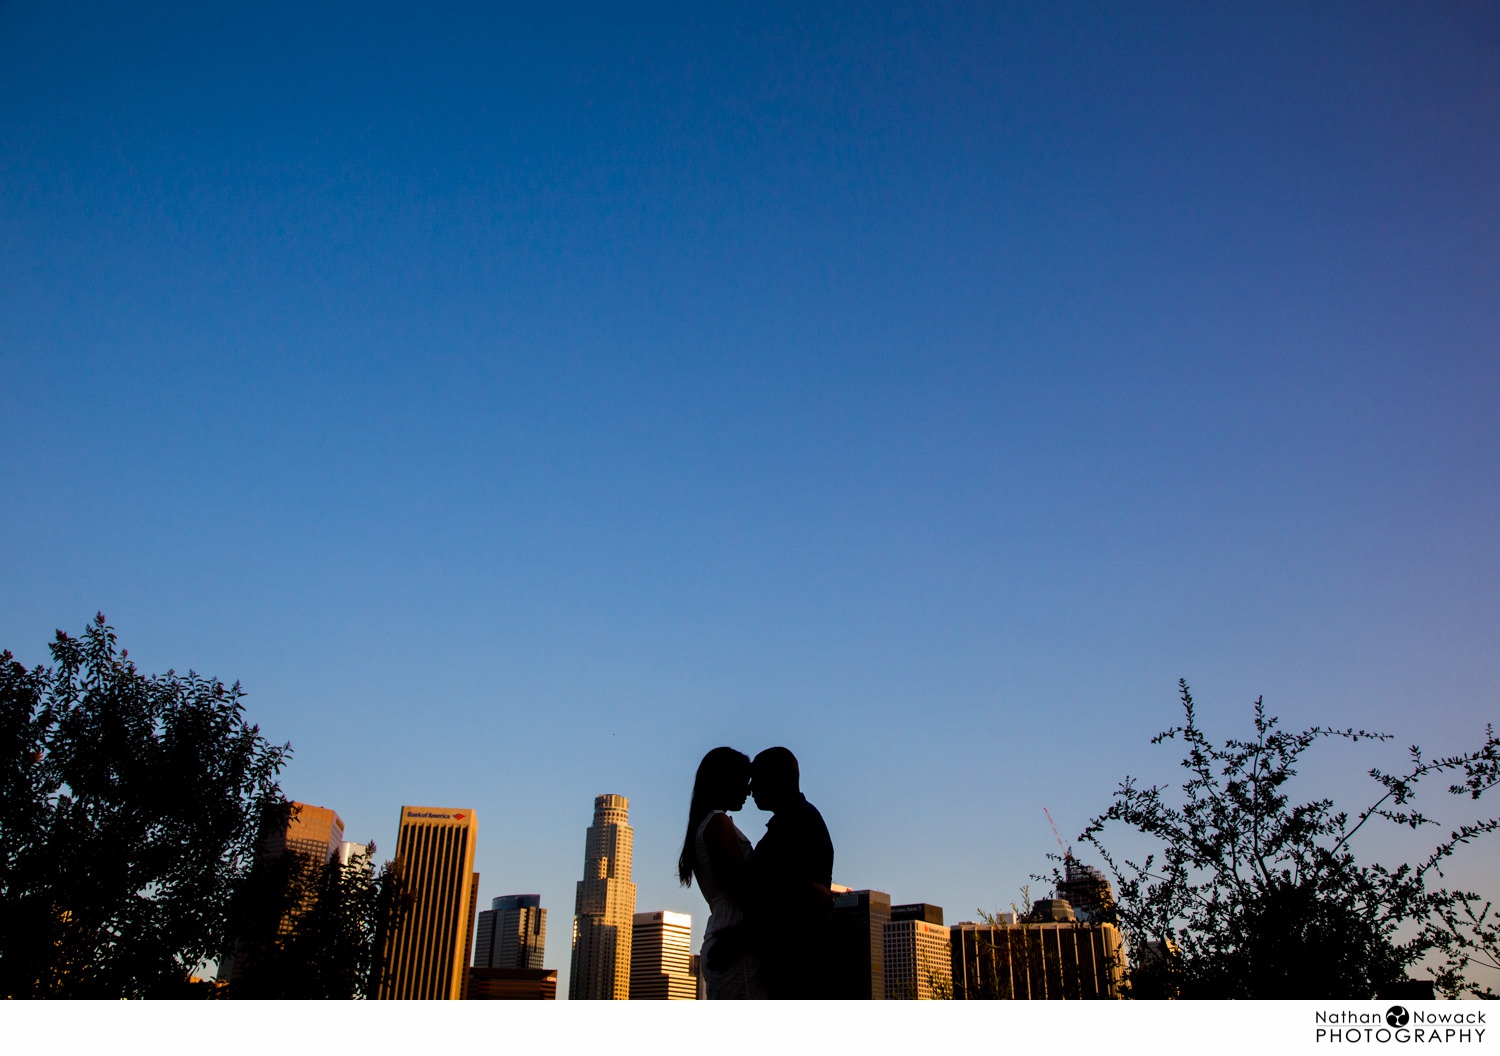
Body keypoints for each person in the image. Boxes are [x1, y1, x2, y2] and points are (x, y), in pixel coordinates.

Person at [678, 747, 767, 999]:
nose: (748, 791)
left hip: (723, 927)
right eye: (743, 781)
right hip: (734, 935)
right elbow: (743, 887)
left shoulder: (704, 824)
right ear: (725, 781)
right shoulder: (717, 824)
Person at [747, 746, 835, 998]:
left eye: (757, 778)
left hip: (794, 966)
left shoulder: (796, 823)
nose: (751, 788)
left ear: (778, 779)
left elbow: (775, 891)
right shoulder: (797, 819)